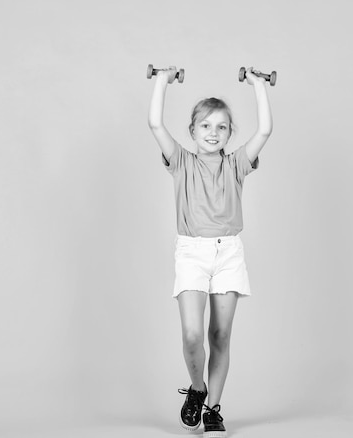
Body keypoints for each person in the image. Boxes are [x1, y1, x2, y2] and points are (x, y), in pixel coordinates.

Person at [148, 66, 272, 438]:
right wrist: (162, 80)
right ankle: (197, 388)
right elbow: (155, 124)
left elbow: (265, 130)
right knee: (191, 335)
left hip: (229, 252)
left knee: (219, 335)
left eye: (221, 127)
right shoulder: (182, 162)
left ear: (229, 133)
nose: (213, 133)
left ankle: (213, 410)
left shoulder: (236, 165)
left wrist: (258, 85)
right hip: (192, 251)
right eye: (205, 126)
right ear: (193, 131)